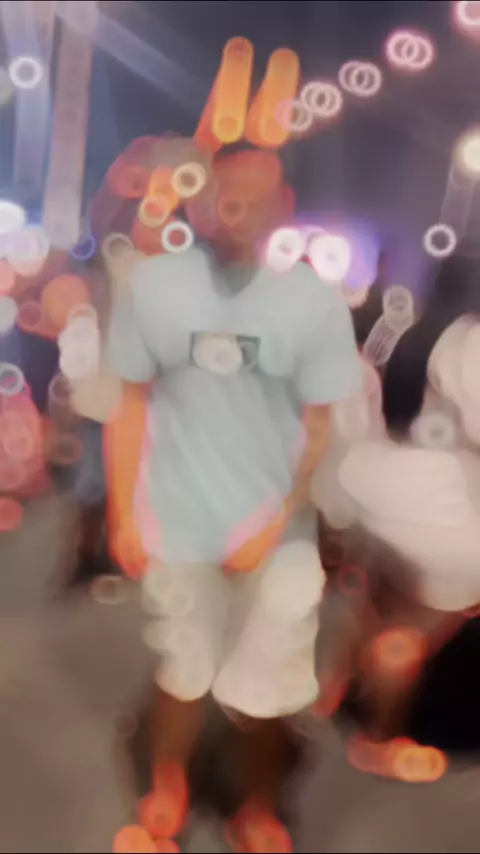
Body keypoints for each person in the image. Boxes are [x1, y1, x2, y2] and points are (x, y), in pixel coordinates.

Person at [105, 147, 361, 852]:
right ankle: (167, 791)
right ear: (200, 200)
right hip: (178, 523)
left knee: (270, 687)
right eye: (224, 192)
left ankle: (258, 806)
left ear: (285, 207)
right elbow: (131, 403)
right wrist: (125, 512)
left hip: (278, 539)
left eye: (254, 194)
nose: (236, 206)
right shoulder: (153, 286)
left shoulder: (312, 302)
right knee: (180, 669)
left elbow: (319, 426)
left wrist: (272, 525)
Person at [313, 242, 480, 776]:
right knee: (410, 630)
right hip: (438, 516)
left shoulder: (396, 325)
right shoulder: (470, 342)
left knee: (377, 603)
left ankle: (336, 690)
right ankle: (379, 736)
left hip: (369, 487)